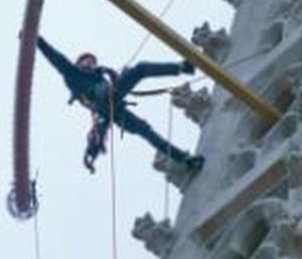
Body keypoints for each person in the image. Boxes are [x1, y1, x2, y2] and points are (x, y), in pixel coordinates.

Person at [35, 36, 203, 174]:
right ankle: (181, 68)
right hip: (105, 105)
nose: (91, 64)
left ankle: (184, 159)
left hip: (115, 105)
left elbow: (108, 102)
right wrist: (38, 41)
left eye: (93, 62)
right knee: (140, 71)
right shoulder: (73, 74)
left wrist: (118, 77)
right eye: (88, 61)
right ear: (79, 63)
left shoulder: (100, 76)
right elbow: (56, 58)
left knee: (146, 129)